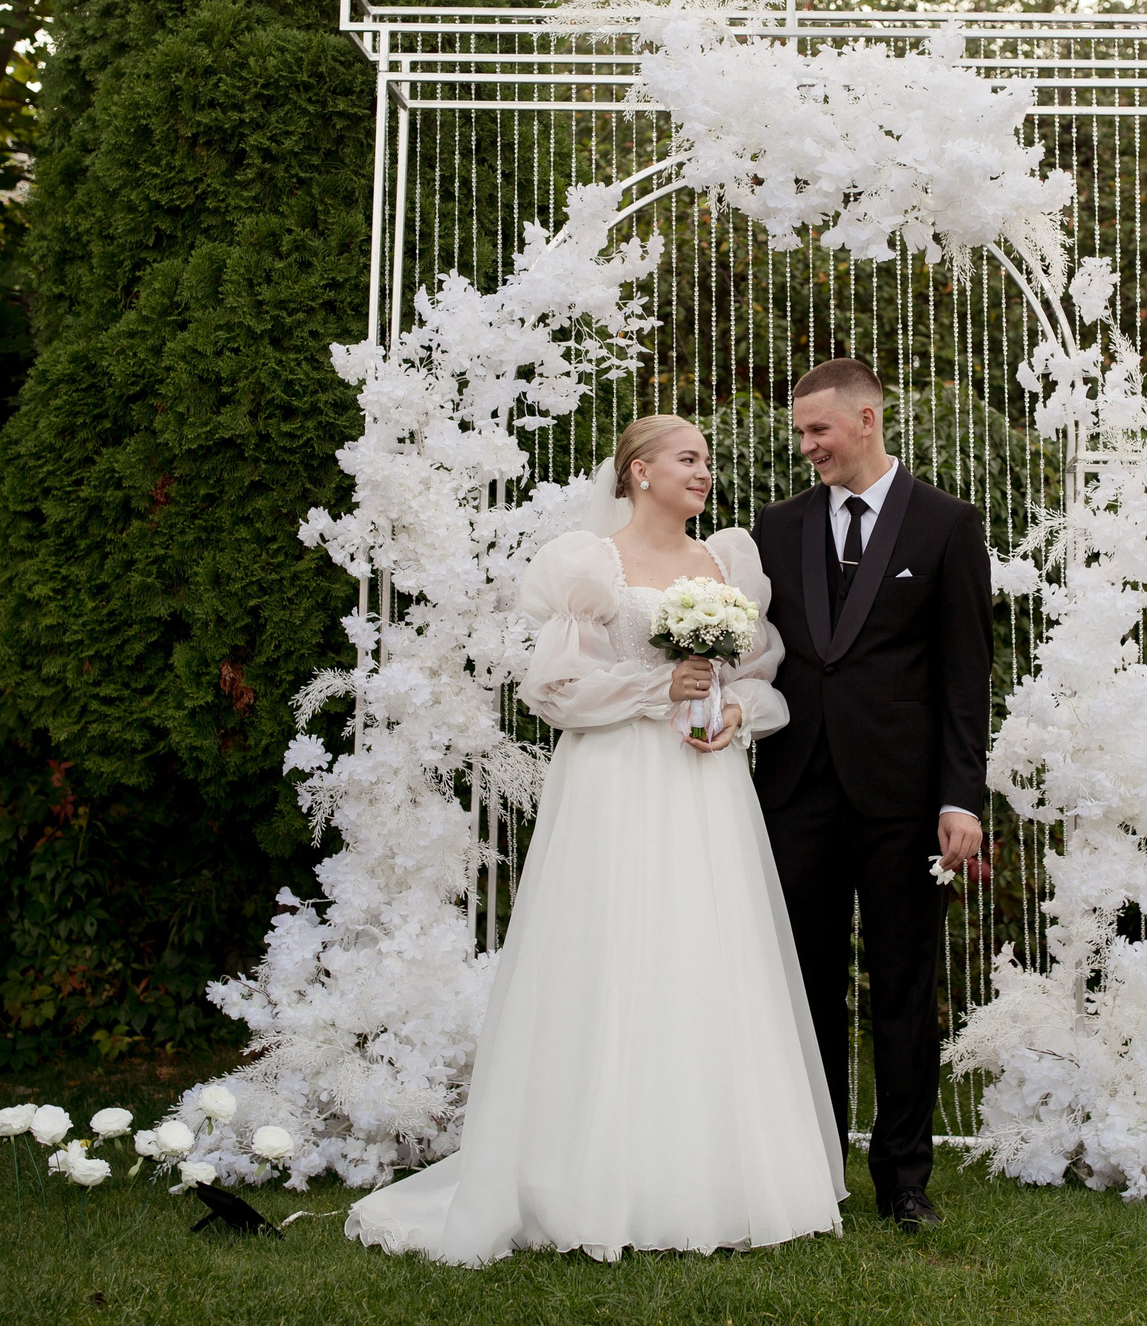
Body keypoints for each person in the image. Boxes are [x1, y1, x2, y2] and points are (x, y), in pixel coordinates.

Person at [344, 414, 846, 1265]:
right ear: (639, 471)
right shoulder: (590, 564)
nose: (704, 472)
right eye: (688, 458)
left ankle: (712, 1173)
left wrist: (727, 709)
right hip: (616, 785)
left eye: (707, 461)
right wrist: (658, 690)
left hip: (705, 789)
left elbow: (764, 680)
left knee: (705, 953)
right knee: (613, 952)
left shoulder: (726, 564)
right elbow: (552, 686)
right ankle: (585, 1170)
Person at [752, 357, 993, 1230]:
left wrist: (960, 797)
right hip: (797, 791)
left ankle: (904, 1177)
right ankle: (813, 1165)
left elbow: (969, 675)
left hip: (903, 799)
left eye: (818, 429)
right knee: (806, 985)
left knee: (901, 985)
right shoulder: (776, 528)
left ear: (866, 418)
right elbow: (759, 654)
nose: (806, 445)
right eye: (800, 432)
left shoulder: (947, 524)